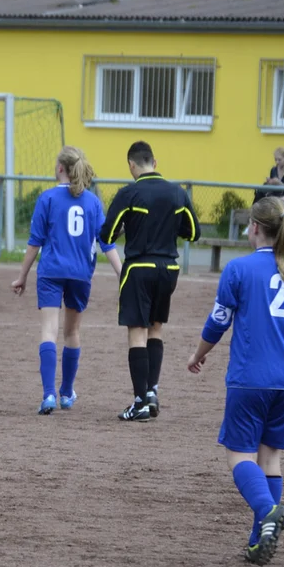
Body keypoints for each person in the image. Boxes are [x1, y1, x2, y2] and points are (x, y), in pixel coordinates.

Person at [186, 196, 284, 565]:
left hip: (251, 379)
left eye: (249, 225)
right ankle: (258, 541)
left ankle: (268, 511)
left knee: (238, 456)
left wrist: (198, 354)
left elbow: (218, 322)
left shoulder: (239, 270)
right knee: (270, 458)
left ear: (256, 228)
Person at [11, 146, 122, 414]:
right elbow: (106, 242)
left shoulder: (47, 198)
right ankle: (66, 394)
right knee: (72, 332)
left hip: (50, 272)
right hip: (80, 274)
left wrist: (22, 276)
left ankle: (48, 395)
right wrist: (122, 274)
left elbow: (34, 242)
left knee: (48, 330)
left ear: (60, 168)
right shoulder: (93, 202)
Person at [99, 141, 201, 422]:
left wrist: (124, 229)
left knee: (137, 332)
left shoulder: (129, 193)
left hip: (139, 268)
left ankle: (139, 401)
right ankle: (152, 393)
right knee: (156, 329)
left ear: (132, 165)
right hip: (168, 268)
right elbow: (193, 232)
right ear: (154, 162)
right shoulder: (177, 193)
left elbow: (106, 236)